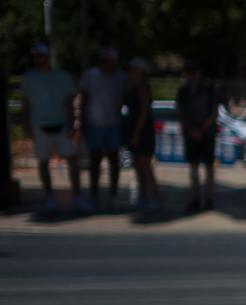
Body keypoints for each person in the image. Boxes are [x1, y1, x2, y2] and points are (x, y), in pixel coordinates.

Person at [19, 42, 82, 213]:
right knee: (43, 161)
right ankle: (49, 197)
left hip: (61, 124)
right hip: (39, 125)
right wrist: (26, 125)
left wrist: (72, 123)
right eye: (35, 56)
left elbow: (70, 101)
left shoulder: (62, 76)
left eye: (40, 55)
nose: (38, 59)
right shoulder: (29, 78)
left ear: (47, 56)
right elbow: (26, 104)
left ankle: (77, 195)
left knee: (72, 159)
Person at [77, 46, 126, 210]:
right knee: (95, 160)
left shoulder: (119, 77)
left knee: (114, 160)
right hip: (95, 123)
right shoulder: (90, 76)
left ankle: (113, 194)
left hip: (113, 123)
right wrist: (82, 121)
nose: (109, 64)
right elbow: (83, 99)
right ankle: (93, 194)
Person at [175, 61, 220, 212]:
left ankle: (209, 199)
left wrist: (202, 129)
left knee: (209, 168)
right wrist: (191, 130)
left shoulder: (208, 90)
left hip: (206, 134)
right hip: (190, 133)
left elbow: (213, 113)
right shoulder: (183, 91)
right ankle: (195, 198)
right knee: (193, 169)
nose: (191, 77)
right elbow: (181, 113)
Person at [122, 57, 159, 213]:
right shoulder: (131, 86)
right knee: (138, 166)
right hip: (134, 129)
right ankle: (143, 196)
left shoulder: (142, 88)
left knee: (146, 166)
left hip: (143, 131)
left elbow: (143, 112)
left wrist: (136, 133)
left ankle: (154, 198)